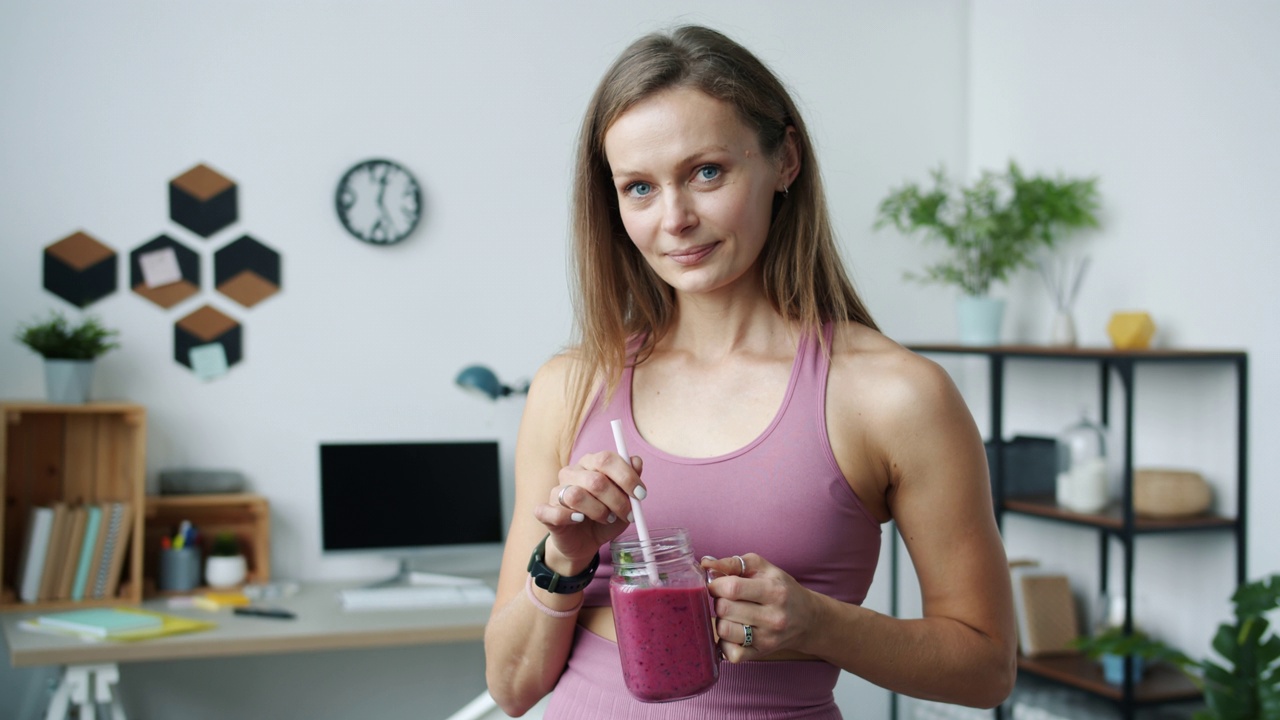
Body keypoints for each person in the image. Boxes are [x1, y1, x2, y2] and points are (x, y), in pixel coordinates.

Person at [484, 25, 1016, 719]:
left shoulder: (895, 396)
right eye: (639, 188)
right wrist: (565, 557)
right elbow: (512, 686)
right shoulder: (572, 386)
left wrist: (819, 625)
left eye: (706, 172)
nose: (674, 219)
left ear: (785, 159)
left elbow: (986, 670)